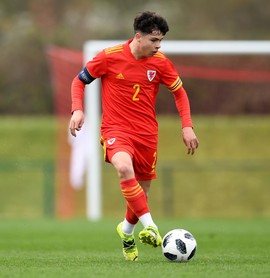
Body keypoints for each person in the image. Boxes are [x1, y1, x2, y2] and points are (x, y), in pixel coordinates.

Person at [69, 11, 199, 260]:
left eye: (161, 41)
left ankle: (126, 231)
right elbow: (79, 81)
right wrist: (77, 109)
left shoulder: (161, 62)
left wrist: (187, 125)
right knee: (124, 169)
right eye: (154, 40)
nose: (158, 46)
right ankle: (151, 226)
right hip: (116, 129)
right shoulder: (109, 57)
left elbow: (180, 93)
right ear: (138, 37)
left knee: (142, 193)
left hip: (147, 134)